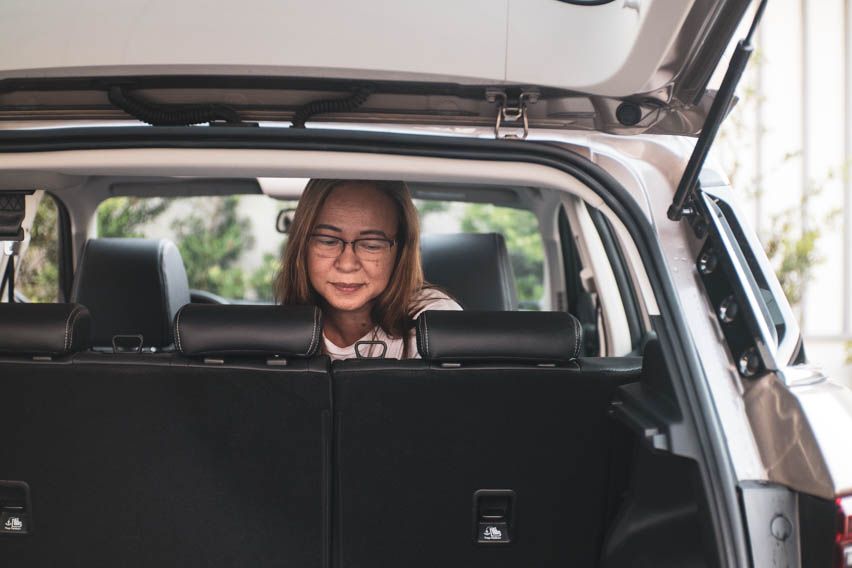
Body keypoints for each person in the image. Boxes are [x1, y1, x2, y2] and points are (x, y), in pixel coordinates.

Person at [274, 179, 461, 360]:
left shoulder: (433, 322)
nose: (347, 264)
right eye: (328, 241)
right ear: (302, 246)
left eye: (371, 245)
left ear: (401, 250)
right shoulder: (275, 332)